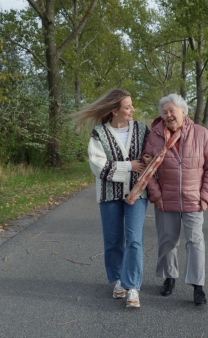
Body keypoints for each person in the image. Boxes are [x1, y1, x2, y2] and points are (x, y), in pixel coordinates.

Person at [141, 93, 208, 306]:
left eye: (172, 111)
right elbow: (147, 168)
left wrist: (206, 196)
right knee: (167, 241)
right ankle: (169, 278)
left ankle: (198, 286)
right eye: (165, 112)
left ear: (183, 112)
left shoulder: (201, 134)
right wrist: (156, 194)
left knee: (195, 241)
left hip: (194, 200)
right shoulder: (155, 136)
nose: (168, 115)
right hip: (165, 201)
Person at [75, 89, 149, 308]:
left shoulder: (141, 129)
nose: (132, 110)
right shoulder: (99, 133)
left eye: (132, 106)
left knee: (134, 238)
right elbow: (97, 166)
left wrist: (146, 158)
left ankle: (132, 286)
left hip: (138, 192)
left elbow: (152, 151)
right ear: (114, 110)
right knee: (113, 240)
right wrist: (129, 165)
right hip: (109, 194)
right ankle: (118, 280)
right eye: (127, 107)